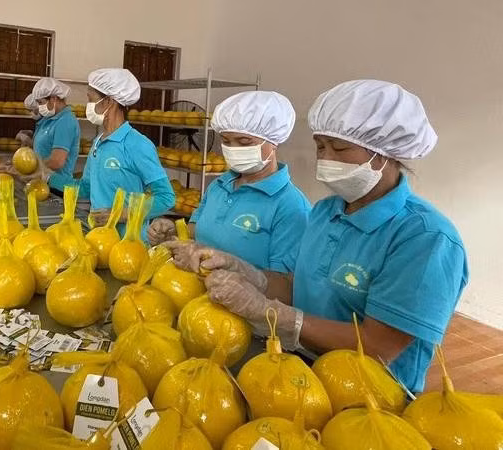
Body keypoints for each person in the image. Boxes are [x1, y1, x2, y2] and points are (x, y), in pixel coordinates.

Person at [168, 79, 468, 393]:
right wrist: (244, 272)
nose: (325, 159)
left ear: (383, 153)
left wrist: (275, 316)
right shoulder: (327, 211)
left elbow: (379, 346)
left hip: (368, 395)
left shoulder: (425, 238)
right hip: (301, 371)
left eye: (339, 148)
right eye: (320, 146)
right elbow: (297, 284)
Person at [148, 91, 310, 275]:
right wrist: (174, 232)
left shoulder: (291, 207)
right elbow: (197, 230)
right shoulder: (219, 186)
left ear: (274, 141)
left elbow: (285, 285)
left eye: (244, 142)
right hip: (194, 296)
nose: (234, 149)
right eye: (226, 141)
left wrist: (233, 270)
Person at [80, 68, 175, 238]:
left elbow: (166, 197)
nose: (87, 106)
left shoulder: (137, 144)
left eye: (90, 99)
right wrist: (46, 176)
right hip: (101, 239)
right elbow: (85, 189)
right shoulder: (98, 142)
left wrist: (121, 213)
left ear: (108, 101)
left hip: (130, 243)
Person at [30, 77, 81, 195]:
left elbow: (57, 161)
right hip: (43, 183)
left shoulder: (66, 121)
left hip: (57, 188)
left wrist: (30, 168)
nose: (39, 107)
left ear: (53, 98)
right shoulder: (49, 119)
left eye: (40, 102)